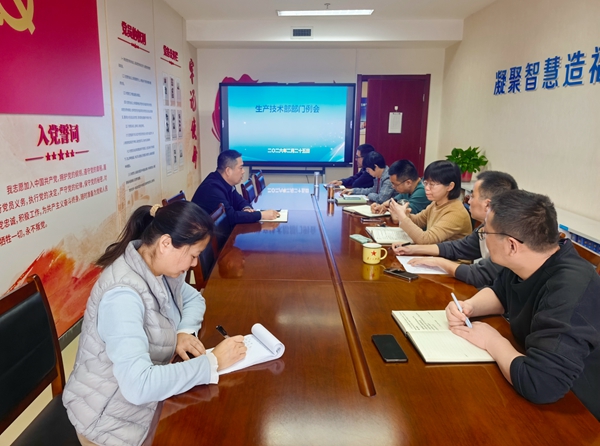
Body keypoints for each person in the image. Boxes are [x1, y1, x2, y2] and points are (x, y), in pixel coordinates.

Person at [63, 201, 247, 445]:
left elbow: (194, 299)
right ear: (165, 244)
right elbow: (138, 386)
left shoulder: (157, 269)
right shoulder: (122, 296)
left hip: (144, 404)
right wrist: (212, 363)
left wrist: (183, 332)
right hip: (109, 421)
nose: (194, 264)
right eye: (193, 255)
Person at [446, 190, 600, 419]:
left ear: (511, 245)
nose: (483, 235)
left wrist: (492, 340)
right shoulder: (528, 261)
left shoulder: (570, 288)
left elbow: (542, 384)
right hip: (525, 366)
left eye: (486, 231)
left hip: (574, 407)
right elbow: (501, 294)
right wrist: (469, 307)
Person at [393, 171, 518, 288]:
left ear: (487, 205)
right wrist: (412, 249)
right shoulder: (484, 227)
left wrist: (439, 262)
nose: (468, 201)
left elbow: (479, 274)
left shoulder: (507, 237)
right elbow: (457, 247)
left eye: (472, 196)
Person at [191, 150, 278, 235]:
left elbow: (240, 201)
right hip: (205, 238)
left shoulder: (226, 182)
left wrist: (246, 208)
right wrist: (261, 215)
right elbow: (231, 217)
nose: (243, 171)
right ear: (228, 171)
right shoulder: (212, 188)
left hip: (221, 232)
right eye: (240, 168)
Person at [388, 160, 472, 244]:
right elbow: (418, 220)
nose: (426, 188)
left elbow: (426, 240)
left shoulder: (456, 213)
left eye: (432, 184)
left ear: (450, 186)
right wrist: (404, 214)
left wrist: (403, 217)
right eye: (426, 183)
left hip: (444, 253)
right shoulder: (436, 203)